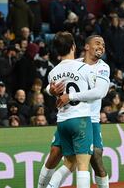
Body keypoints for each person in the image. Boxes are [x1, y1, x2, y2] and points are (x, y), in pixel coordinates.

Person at [38, 35, 110, 188]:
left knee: (95, 160)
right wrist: (51, 90)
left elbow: (101, 92)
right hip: (76, 118)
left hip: (91, 120)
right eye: (97, 43)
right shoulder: (76, 64)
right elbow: (49, 86)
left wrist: (70, 96)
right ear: (86, 46)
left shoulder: (103, 67)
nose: (101, 47)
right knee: (57, 155)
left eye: (103, 45)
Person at [44, 32, 95, 188]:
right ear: (73, 46)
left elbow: (51, 92)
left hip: (63, 121)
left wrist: (49, 91)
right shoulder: (84, 68)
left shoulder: (53, 73)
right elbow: (94, 93)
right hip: (81, 119)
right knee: (83, 165)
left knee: (69, 162)